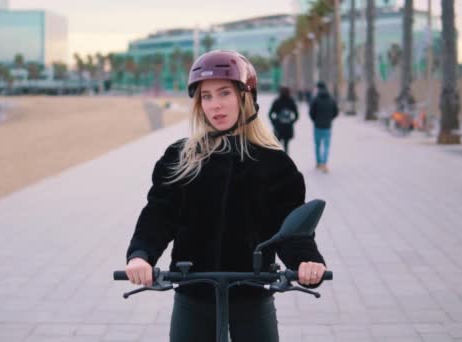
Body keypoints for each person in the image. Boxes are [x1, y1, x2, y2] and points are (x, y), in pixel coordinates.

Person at [124, 50, 327, 342]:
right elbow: (159, 213)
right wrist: (141, 255)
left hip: (252, 295)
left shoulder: (274, 163)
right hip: (193, 293)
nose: (215, 105)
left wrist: (307, 262)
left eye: (224, 93)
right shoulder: (180, 157)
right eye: (206, 96)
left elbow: (291, 230)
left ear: (245, 97)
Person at [309, 81, 339, 173]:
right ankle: (324, 164)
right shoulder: (331, 99)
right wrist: (330, 119)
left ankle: (318, 163)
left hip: (317, 126)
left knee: (317, 145)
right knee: (326, 146)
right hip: (327, 126)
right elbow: (336, 112)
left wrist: (315, 120)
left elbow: (311, 112)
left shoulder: (315, 99)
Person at [268, 86, 299, 153]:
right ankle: (285, 160)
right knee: (286, 145)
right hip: (287, 127)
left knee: (277, 145)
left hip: (279, 127)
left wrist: (274, 122)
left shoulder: (277, 101)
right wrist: (291, 122)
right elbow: (297, 115)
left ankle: (277, 160)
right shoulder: (291, 101)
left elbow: (270, 114)